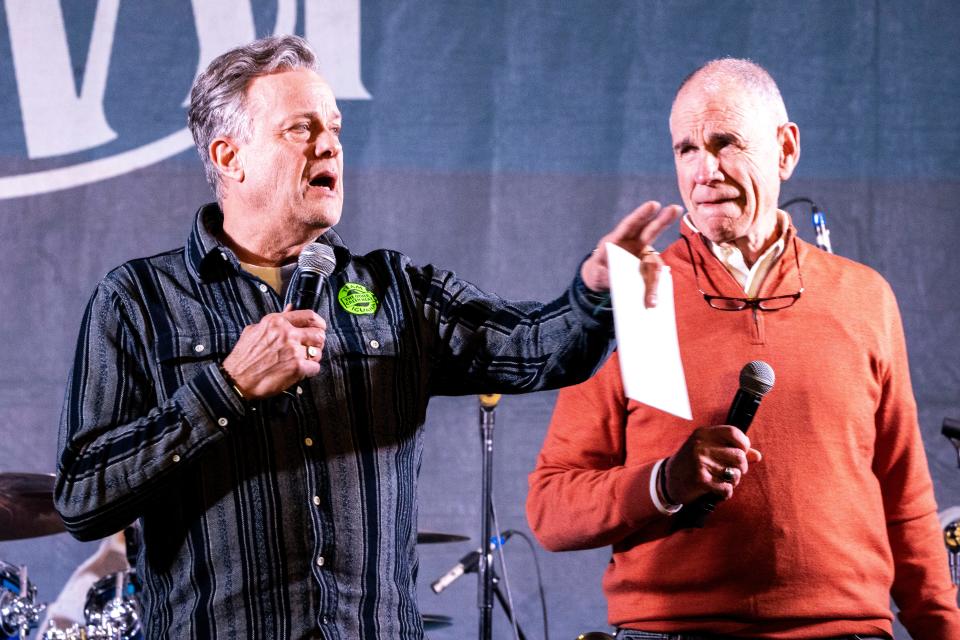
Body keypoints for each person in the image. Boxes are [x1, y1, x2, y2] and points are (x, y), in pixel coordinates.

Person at [53, 35, 680, 639]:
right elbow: (83, 497)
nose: (329, 146)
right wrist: (228, 389)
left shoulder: (394, 290)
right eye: (301, 129)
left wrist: (596, 291)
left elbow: (536, 350)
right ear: (228, 157)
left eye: (334, 129)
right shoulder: (137, 300)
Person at [526, 58, 960, 639]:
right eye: (685, 149)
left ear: (785, 149)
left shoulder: (865, 298)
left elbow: (905, 500)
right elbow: (552, 509)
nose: (704, 170)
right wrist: (663, 483)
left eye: (726, 143)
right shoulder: (631, 299)